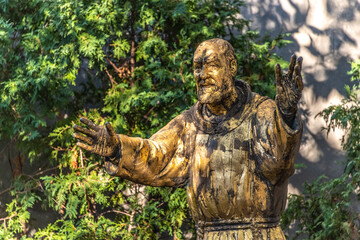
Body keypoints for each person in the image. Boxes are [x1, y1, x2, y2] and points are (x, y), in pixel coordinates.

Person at [73, 38, 303, 240]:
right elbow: (156, 155)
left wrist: (285, 113)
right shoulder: (190, 124)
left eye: (211, 65)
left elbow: (278, 166)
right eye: (196, 68)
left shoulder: (261, 112)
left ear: (232, 67)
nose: (202, 75)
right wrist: (117, 149)